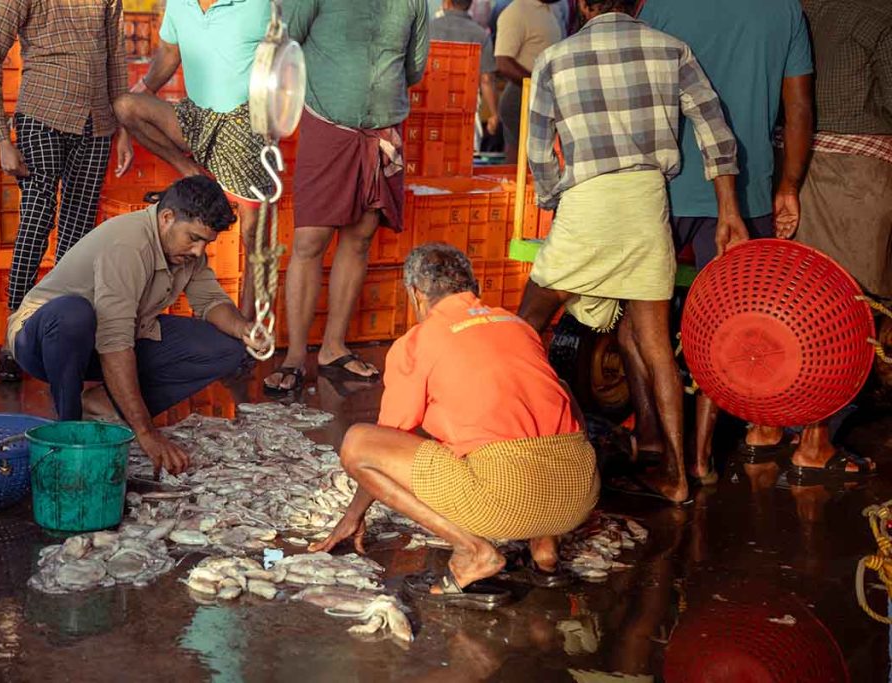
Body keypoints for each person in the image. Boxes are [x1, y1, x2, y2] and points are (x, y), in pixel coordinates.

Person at [519, 0, 748, 505]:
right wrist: (728, 207)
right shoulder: (670, 49)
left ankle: (513, 443)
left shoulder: (556, 57)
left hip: (588, 202)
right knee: (654, 342)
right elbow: (715, 130)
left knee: (527, 321)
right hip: (647, 202)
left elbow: (539, 151)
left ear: (581, 4)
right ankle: (675, 475)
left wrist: (555, 199)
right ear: (638, 3)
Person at [311, 244, 598, 599]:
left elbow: (383, 441)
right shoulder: (518, 325)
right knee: (553, 395)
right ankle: (545, 549)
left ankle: (475, 551)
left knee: (357, 441)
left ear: (416, 294)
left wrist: (352, 515)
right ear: (473, 287)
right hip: (580, 493)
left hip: (508, 498)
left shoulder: (419, 340)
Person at [639, 0, 816, 482]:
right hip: (745, 189)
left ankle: (654, 439)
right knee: (728, 321)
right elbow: (798, 105)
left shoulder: (662, 7)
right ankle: (702, 455)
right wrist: (789, 185)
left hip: (665, 187)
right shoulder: (783, 11)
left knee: (647, 312)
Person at [6, 176, 267, 475]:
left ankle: (101, 405)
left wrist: (245, 330)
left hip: (113, 336)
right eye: (193, 238)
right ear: (167, 218)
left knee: (226, 348)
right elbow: (114, 341)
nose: (198, 251)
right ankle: (70, 431)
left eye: (205, 243)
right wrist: (146, 433)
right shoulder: (127, 244)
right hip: (44, 339)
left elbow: (210, 301)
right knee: (74, 314)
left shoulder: (185, 252)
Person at [262, 0, 429, 392]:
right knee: (310, 240)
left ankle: (333, 348)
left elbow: (414, 66)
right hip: (326, 125)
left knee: (359, 237)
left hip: (382, 131)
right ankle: (295, 356)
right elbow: (286, 43)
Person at [0, 0, 132, 383]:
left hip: (97, 125)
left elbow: (116, 64)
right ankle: (13, 338)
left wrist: (126, 129)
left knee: (78, 238)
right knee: (36, 222)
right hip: (41, 114)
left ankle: (61, 337)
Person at [777, 0, 888, 482]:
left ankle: (767, 425)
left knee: (799, 301)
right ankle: (815, 441)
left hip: (790, 166)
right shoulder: (879, 13)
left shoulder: (794, 9)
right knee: (850, 309)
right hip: (857, 175)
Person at [112, 0, 273, 319]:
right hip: (196, 117)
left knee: (254, 235)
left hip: (244, 125)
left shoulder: (261, 5)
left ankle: (248, 328)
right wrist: (126, 128)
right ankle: (190, 169)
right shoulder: (179, 4)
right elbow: (169, 55)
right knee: (126, 107)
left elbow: (292, 62)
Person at [493, 0, 565, 161]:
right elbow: (503, 62)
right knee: (520, 160)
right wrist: (538, 84)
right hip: (521, 96)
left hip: (541, 96)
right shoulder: (516, 12)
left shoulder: (549, 10)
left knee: (539, 158)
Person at [432, 0, 502, 141]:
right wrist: (494, 114)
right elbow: (486, 79)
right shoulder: (480, 34)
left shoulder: (429, 28)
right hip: (466, 108)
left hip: (432, 102)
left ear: (447, 3)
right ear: (470, 4)